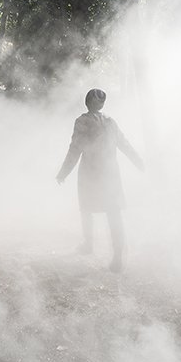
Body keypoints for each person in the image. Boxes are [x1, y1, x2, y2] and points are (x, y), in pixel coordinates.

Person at [56, 88, 143, 273]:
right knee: (109, 211)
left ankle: (102, 249)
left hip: (93, 173)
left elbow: (75, 149)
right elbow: (124, 144)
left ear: (87, 103)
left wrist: (63, 173)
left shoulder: (83, 122)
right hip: (108, 173)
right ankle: (105, 249)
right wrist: (138, 161)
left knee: (92, 208)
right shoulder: (109, 122)